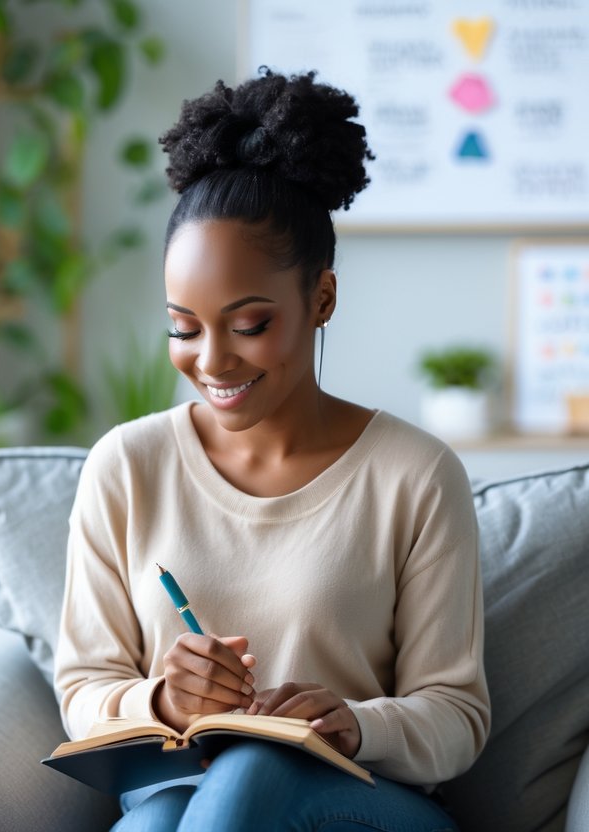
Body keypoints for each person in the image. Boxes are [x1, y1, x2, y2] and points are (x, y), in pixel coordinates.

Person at [53, 69, 489, 831]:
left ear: (319, 299)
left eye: (248, 324)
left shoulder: (413, 475)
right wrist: (160, 699)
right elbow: (84, 691)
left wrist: (355, 722)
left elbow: (456, 716)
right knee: (157, 821)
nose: (211, 361)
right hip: (174, 797)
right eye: (182, 328)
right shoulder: (125, 466)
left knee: (253, 772)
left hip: (360, 802)